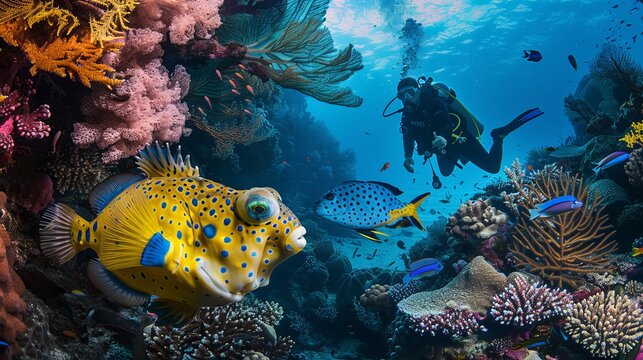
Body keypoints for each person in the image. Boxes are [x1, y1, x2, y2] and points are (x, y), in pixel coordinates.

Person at [394, 77, 543, 176]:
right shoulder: (407, 115)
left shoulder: (434, 101)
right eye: (402, 96)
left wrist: (444, 138)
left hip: (459, 138)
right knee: (445, 173)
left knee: (493, 168)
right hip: (441, 147)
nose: (407, 99)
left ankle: (498, 137)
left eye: (410, 93)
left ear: (418, 92)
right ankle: (459, 155)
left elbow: (446, 122)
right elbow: (407, 135)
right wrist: (407, 156)